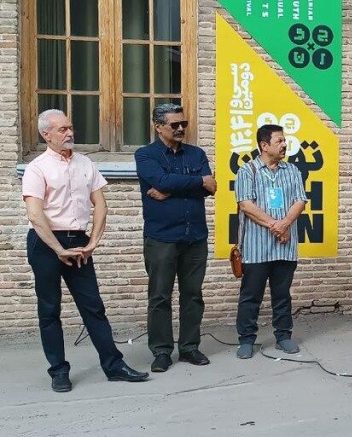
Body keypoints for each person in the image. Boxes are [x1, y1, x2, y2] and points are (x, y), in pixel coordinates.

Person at [22, 109, 149, 392]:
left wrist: (93, 242)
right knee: (49, 309)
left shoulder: (85, 163)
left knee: (93, 306)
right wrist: (58, 249)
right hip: (46, 244)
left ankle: (114, 366)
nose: (70, 133)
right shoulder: (37, 168)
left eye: (70, 127)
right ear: (46, 135)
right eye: (63, 129)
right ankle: (59, 371)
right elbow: (35, 214)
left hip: (78, 242)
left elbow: (100, 204)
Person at [135, 103, 216, 372]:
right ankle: (161, 351)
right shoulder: (145, 155)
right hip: (162, 237)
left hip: (195, 236)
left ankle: (190, 347)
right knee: (160, 296)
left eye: (184, 124)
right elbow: (163, 180)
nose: (181, 128)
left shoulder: (196, 154)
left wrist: (171, 187)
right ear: (158, 127)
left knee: (192, 295)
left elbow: (212, 187)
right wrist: (196, 182)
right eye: (175, 125)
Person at [234, 123, 308, 358]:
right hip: (256, 248)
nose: (285, 144)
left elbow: (300, 200)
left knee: (282, 294)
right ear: (264, 146)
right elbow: (246, 205)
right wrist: (276, 225)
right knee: (250, 296)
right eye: (280, 141)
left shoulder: (292, 170)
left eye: (284, 140)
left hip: (285, 247)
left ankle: (283, 336)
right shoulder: (248, 171)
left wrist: (285, 223)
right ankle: (246, 340)